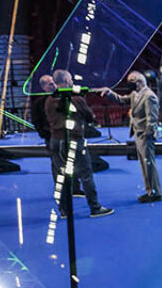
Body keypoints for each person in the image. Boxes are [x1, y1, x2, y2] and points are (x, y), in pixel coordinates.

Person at [45, 70, 113, 218]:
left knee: (60, 177)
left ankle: (64, 211)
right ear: (66, 81)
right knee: (86, 174)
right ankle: (95, 207)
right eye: (70, 79)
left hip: (55, 141)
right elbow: (89, 117)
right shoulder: (75, 99)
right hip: (73, 140)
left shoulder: (49, 100)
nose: (72, 82)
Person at [98, 72, 162, 203]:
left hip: (145, 135)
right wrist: (109, 93)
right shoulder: (135, 94)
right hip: (138, 133)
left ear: (139, 81)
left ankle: (155, 192)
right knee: (144, 164)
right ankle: (149, 190)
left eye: (131, 81)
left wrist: (147, 134)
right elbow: (121, 100)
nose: (129, 84)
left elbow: (152, 119)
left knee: (148, 164)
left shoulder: (149, 96)